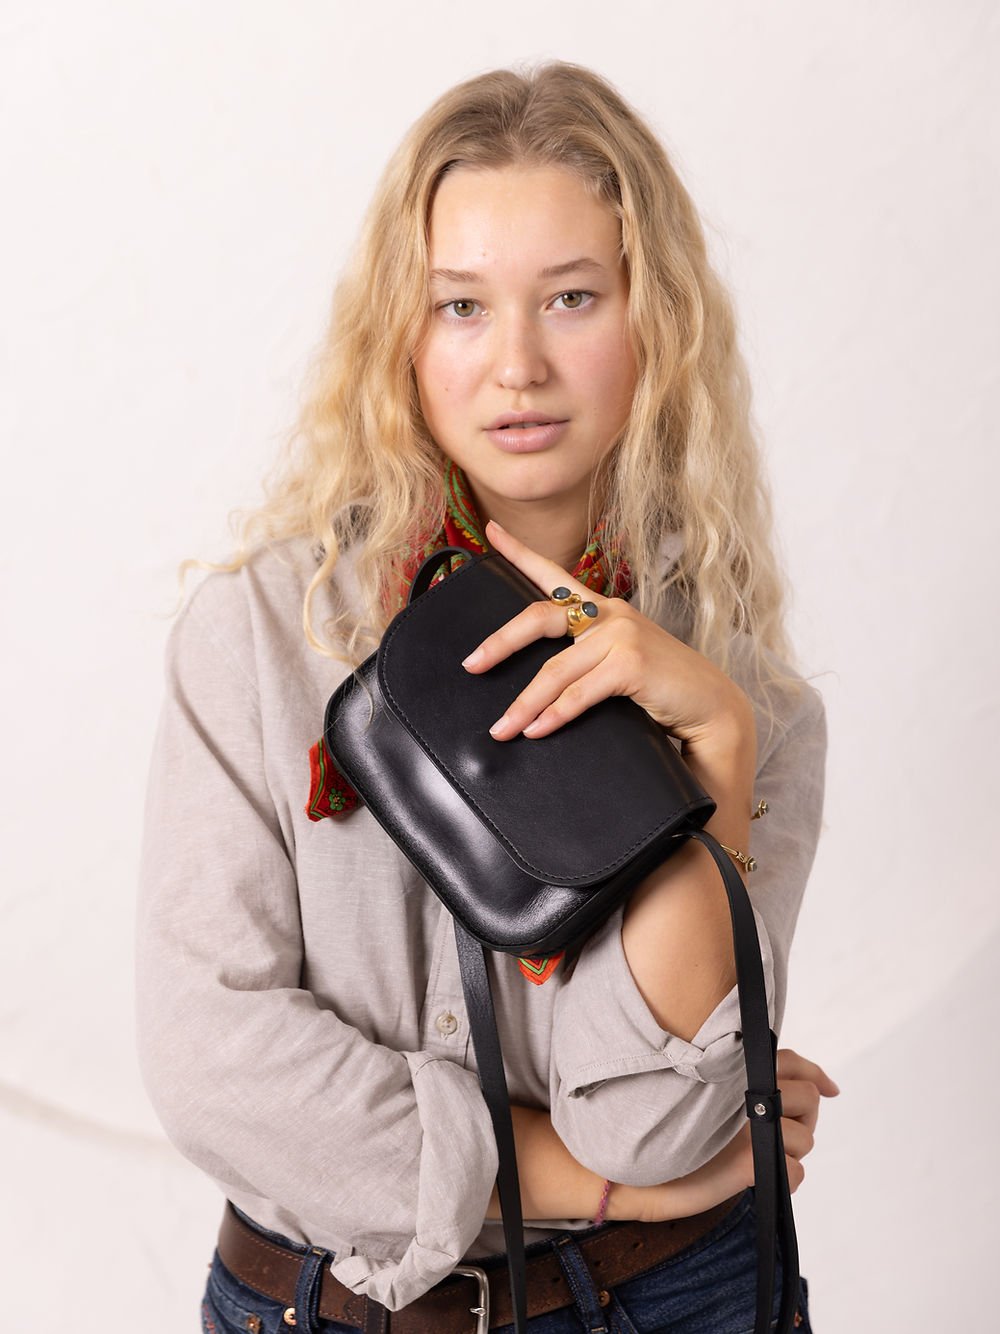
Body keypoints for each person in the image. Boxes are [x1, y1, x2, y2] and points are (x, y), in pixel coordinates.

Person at [136, 60, 839, 1334]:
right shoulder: (261, 640)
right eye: (460, 305)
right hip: (329, 1307)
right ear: (401, 335)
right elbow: (215, 1063)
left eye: (572, 297)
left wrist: (715, 760)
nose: (516, 363)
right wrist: (588, 1181)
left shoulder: (755, 709)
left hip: (675, 1302)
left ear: (655, 324)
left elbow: (646, 1107)